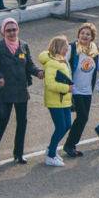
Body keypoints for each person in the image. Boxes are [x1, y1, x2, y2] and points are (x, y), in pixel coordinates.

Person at [0, 18, 43, 162]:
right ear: (3, 32)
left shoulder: (24, 45)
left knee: (22, 122)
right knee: (3, 120)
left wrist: (38, 73)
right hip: (5, 90)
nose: (11, 33)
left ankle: (18, 154)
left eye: (14, 29)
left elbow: (29, 65)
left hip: (21, 90)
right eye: (8, 30)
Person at [62, 23, 99, 157]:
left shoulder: (94, 50)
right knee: (82, 117)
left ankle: (71, 144)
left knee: (84, 118)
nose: (84, 36)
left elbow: (97, 67)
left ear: (92, 37)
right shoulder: (72, 48)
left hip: (87, 90)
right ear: (78, 34)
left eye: (88, 34)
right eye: (82, 33)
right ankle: (69, 145)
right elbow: (63, 63)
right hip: (75, 89)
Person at [39, 36, 73, 167]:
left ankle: (51, 149)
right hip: (55, 100)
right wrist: (66, 88)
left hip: (64, 100)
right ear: (59, 47)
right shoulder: (52, 63)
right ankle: (51, 154)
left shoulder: (62, 60)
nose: (67, 50)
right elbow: (50, 83)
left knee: (67, 125)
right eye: (65, 47)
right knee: (60, 127)